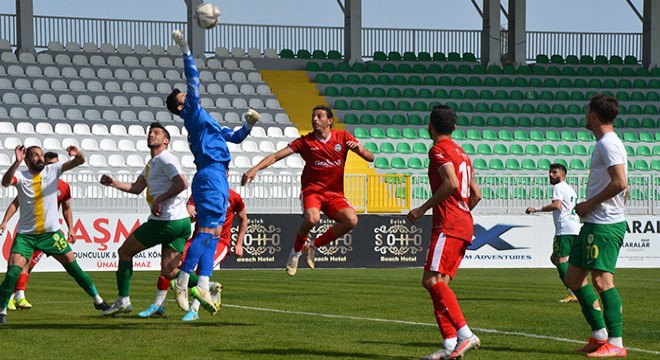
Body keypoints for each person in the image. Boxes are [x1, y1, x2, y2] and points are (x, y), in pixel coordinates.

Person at [166, 30, 259, 312]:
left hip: (216, 174)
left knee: (215, 233)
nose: (186, 93)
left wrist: (250, 124)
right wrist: (185, 48)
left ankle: (203, 286)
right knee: (206, 233)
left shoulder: (207, 121)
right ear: (181, 105)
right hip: (210, 174)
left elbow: (237, 137)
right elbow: (194, 79)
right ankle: (183, 281)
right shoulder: (192, 113)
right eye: (182, 95)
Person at [241, 105, 374, 276]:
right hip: (313, 191)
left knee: (351, 220)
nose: (315, 120)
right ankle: (295, 253)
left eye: (319, 116)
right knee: (312, 218)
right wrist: (254, 169)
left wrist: (360, 151)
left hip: (335, 193)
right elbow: (276, 156)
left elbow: (371, 157)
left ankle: (313, 246)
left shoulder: (343, 137)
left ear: (330, 121)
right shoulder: (305, 142)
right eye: (313, 116)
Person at [0, 145, 109, 324]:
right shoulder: (21, 176)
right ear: (27, 160)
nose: (40, 158)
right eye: (35, 156)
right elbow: (5, 182)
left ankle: (98, 300)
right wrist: (16, 162)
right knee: (12, 273)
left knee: (74, 268)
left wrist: (78, 153)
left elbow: (80, 161)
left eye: (41, 155)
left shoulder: (52, 170)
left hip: (51, 234)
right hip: (26, 236)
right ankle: (2, 309)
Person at [406, 105, 482, 360]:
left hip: (448, 223)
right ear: (455, 127)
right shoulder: (464, 154)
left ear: (430, 126)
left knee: (430, 281)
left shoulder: (438, 150)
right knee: (439, 284)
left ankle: (465, 334)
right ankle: (449, 344)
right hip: (463, 222)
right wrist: (461, 212)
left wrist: (421, 209)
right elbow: (476, 194)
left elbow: (450, 182)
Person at [99, 122, 192, 317]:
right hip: (180, 222)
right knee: (169, 271)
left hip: (165, 222)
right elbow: (136, 187)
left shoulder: (165, 158)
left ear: (166, 141)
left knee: (124, 252)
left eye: (157, 133)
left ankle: (123, 301)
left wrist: (160, 199)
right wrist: (113, 183)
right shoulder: (152, 163)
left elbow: (182, 183)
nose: (151, 134)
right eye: (150, 132)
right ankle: (206, 285)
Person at [564, 94, 629, 358]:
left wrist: (588, 204)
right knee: (573, 278)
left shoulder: (608, 144)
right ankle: (600, 335)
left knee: (602, 281)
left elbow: (620, 181)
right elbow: (622, 183)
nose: (585, 115)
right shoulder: (606, 143)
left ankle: (616, 342)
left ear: (593, 115)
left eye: (587, 111)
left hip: (604, 224)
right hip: (595, 223)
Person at [139, 172, 248, 322]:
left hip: (219, 242)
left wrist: (239, 243)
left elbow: (244, 219)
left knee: (199, 270)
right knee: (169, 266)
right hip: (197, 239)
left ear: (227, 176)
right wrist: (191, 213)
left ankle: (194, 310)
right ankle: (159, 305)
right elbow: (189, 210)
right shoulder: (200, 193)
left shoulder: (233, 197)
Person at [0, 152, 75, 310]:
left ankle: (17, 295)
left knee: (29, 265)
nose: (52, 166)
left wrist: (71, 229)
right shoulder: (32, 181)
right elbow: (16, 202)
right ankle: (15, 296)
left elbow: (67, 209)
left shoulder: (63, 186)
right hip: (29, 232)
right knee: (22, 265)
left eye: (56, 163)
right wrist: (5, 221)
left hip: (48, 233)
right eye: (50, 163)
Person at [525, 163, 580, 303]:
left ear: (562, 175)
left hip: (565, 228)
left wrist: (535, 210)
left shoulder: (558, 187)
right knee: (559, 259)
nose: (551, 175)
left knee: (559, 259)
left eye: (554, 172)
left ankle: (574, 292)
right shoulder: (570, 189)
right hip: (575, 227)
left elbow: (557, 205)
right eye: (550, 172)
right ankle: (578, 288)